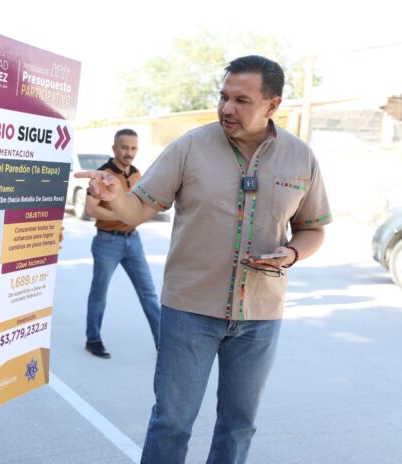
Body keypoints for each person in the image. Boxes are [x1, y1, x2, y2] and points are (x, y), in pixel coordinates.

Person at [76, 55, 332, 464]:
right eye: (224, 97)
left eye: (242, 100)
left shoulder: (301, 158)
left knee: (239, 425)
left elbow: (313, 228)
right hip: (189, 312)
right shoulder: (190, 146)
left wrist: (292, 252)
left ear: (273, 105)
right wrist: (114, 197)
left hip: (260, 317)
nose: (227, 108)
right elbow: (137, 210)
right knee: (171, 422)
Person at [83, 128, 160, 358]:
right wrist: (124, 215)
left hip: (133, 241)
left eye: (133, 148)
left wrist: (137, 215)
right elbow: (91, 209)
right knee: (99, 294)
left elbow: (143, 204)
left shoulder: (137, 174)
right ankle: (93, 340)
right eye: (125, 147)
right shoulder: (103, 173)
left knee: (149, 294)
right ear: (114, 148)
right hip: (107, 241)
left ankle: (163, 344)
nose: (129, 152)